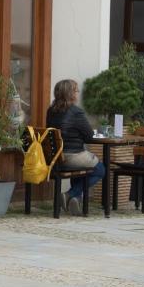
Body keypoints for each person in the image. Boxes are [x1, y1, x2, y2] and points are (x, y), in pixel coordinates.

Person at [46, 79, 105, 215]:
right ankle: (70, 194)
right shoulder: (76, 112)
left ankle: (75, 199)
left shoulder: (51, 111)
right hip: (71, 157)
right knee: (100, 169)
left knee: (83, 167)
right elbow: (89, 136)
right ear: (70, 93)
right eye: (76, 90)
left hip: (55, 158)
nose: (78, 93)